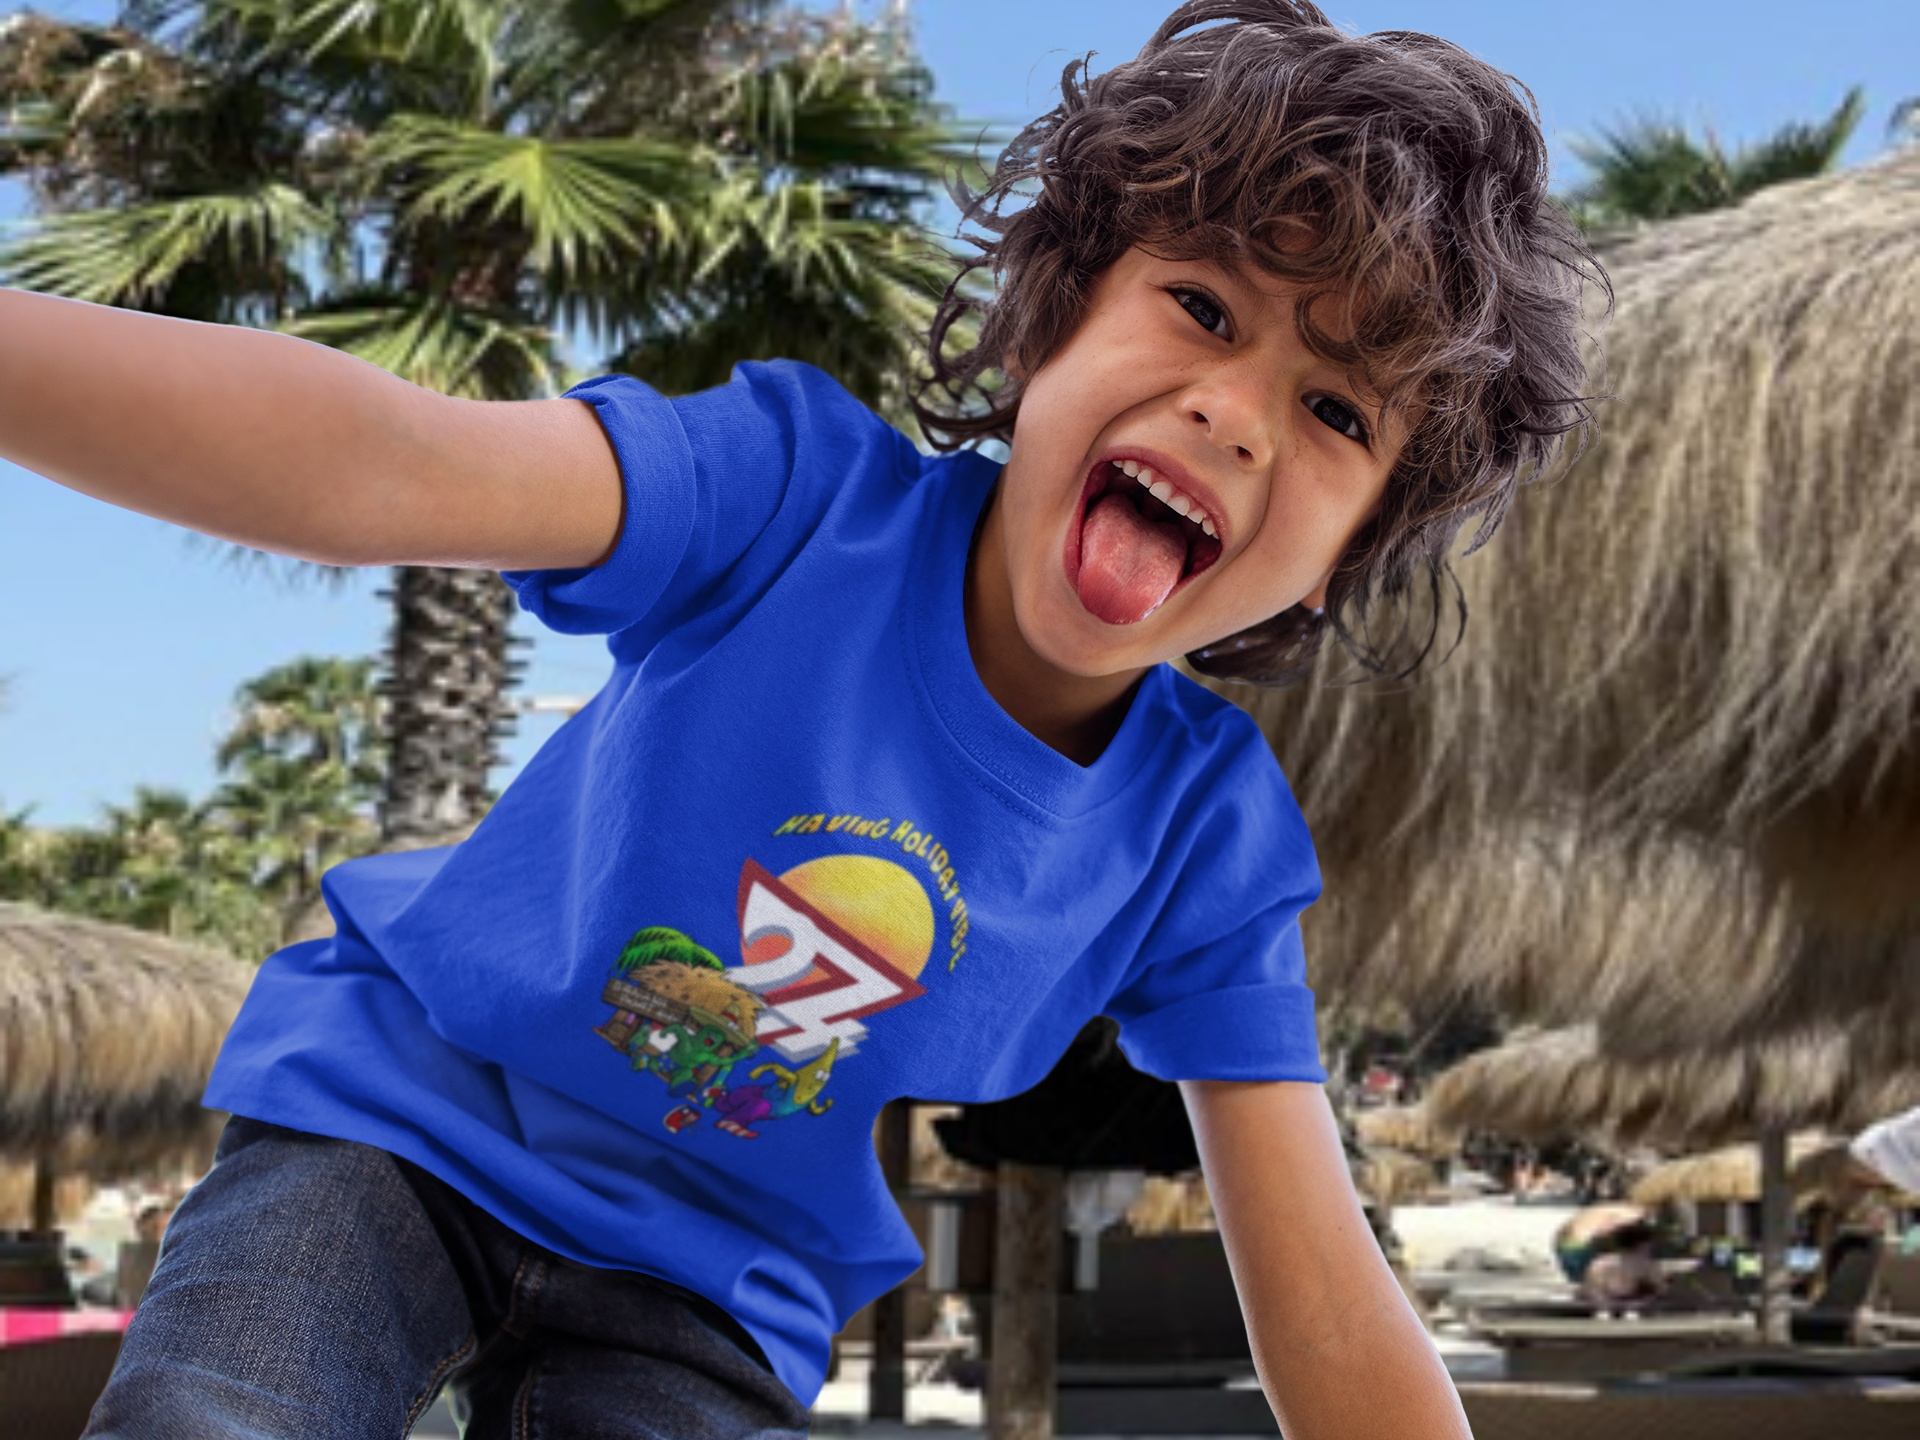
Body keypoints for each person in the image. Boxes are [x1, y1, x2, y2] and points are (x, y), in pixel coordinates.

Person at [0, 4, 1598, 1436]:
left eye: (1337, 411)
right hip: (402, 1122)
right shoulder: (788, 496)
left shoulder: (1201, 841)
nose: (1236, 413)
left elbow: (1318, 1297)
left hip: (713, 1277)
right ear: (1050, 320)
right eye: (1201, 304)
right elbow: (391, 464)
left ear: (1340, 563)